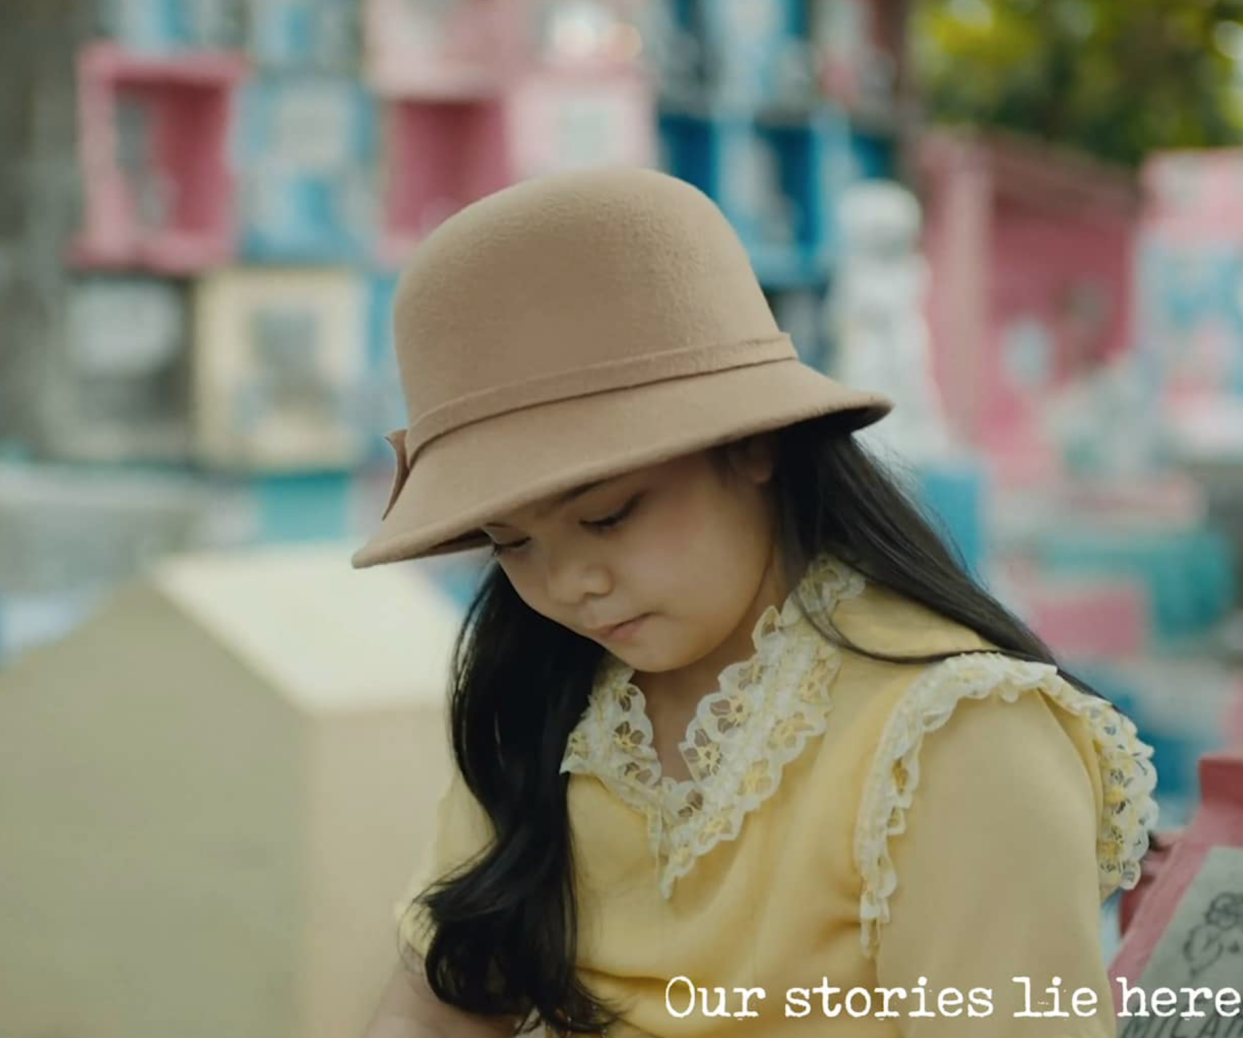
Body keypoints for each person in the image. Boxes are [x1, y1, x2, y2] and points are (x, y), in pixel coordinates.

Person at [350, 167, 1157, 1038]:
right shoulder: (542, 705)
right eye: (512, 541)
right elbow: (440, 1003)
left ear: (754, 446)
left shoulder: (951, 736)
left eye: (609, 515)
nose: (570, 582)